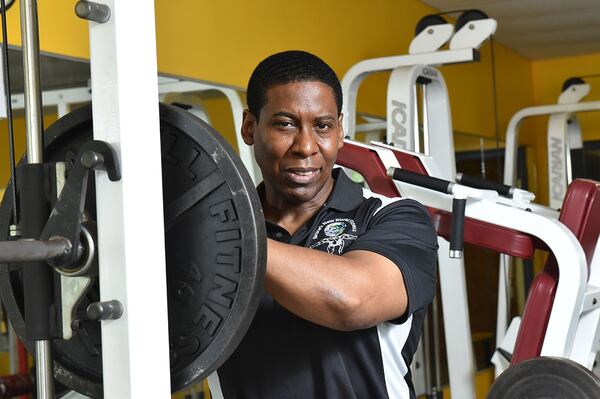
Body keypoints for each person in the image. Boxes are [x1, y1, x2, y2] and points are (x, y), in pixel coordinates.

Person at [211, 50, 438, 399]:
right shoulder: (212, 231)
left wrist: (222, 237)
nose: (305, 146)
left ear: (341, 131)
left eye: (322, 126)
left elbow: (352, 301)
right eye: (285, 124)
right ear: (249, 127)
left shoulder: (393, 217)